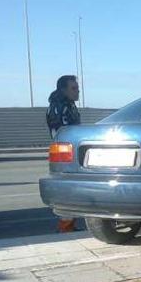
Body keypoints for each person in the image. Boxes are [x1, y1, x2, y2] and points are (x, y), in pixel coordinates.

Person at [45, 75, 81, 232]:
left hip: (69, 152)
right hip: (65, 154)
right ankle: (66, 227)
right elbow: (62, 132)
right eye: (73, 88)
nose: (77, 91)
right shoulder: (59, 106)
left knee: (72, 190)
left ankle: (68, 225)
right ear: (63, 90)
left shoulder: (67, 104)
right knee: (68, 191)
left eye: (77, 88)